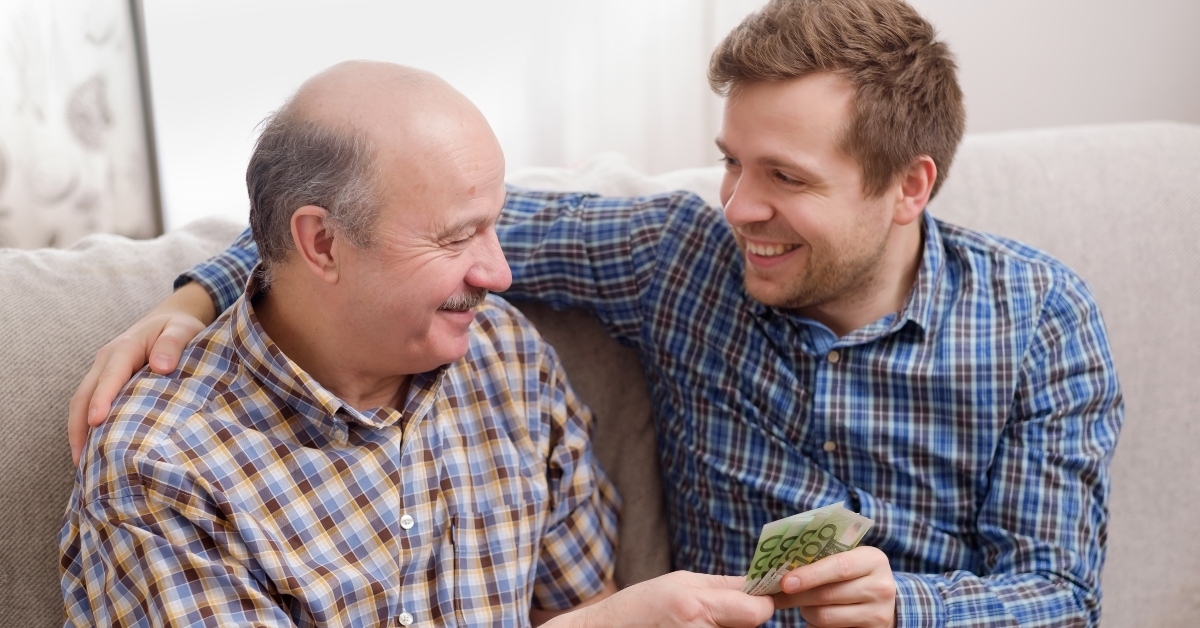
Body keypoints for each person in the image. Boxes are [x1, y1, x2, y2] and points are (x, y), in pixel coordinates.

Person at [69, 1, 1124, 626]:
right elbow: (394, 215)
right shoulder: (679, 259)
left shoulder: (1038, 322)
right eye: (731, 161)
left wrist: (913, 607)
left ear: (908, 188)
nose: (738, 205)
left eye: (786, 178)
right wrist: (203, 285)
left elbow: (1063, 593)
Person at [60, 61, 775, 627]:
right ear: (322, 242)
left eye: (494, 225)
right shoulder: (159, 466)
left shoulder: (507, 359)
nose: (498, 272)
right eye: (458, 236)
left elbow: (579, 602)